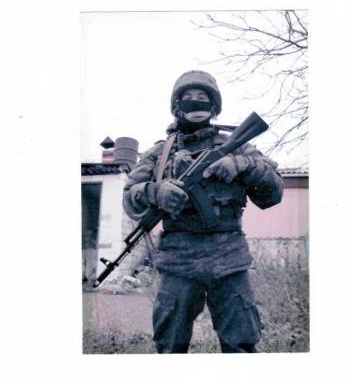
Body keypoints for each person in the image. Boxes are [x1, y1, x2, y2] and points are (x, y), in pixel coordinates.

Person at [122, 70, 284, 353]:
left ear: (214, 105)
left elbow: (274, 193)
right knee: (170, 345)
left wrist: (243, 166)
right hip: (178, 260)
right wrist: (155, 191)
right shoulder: (159, 153)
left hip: (229, 258)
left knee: (241, 344)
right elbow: (129, 198)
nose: (195, 102)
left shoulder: (239, 147)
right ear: (177, 106)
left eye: (202, 97)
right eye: (188, 97)